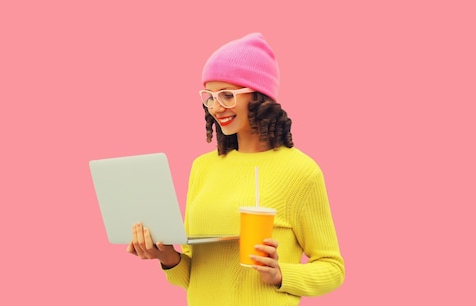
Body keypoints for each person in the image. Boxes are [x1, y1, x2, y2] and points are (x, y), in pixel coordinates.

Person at [127, 32, 345, 305]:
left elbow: (332, 268)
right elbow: (192, 276)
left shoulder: (301, 171)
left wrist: (281, 275)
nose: (216, 107)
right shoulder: (203, 168)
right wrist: (167, 257)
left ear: (260, 98)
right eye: (210, 96)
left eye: (228, 95)